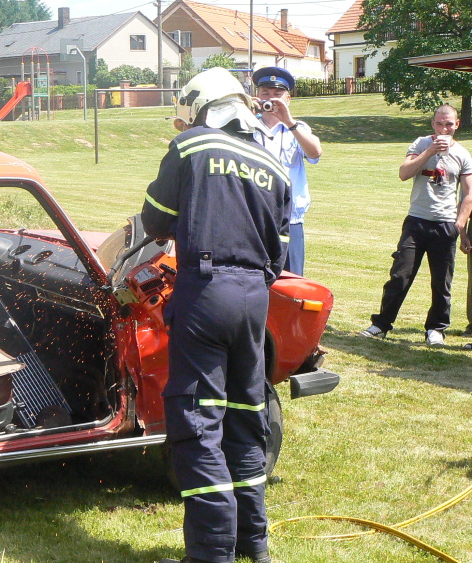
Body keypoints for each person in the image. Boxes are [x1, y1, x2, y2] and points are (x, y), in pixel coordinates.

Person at [145, 67, 291, 563]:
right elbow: (280, 251)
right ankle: (254, 544)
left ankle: (210, 553)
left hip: (206, 291)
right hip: (254, 298)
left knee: (197, 420)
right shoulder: (273, 165)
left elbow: (156, 219)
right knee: (246, 418)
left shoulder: (191, 146)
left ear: (199, 107)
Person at [360, 104, 472, 346]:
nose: (444, 129)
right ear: (433, 123)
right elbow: (404, 173)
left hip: (444, 224)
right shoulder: (421, 144)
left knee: (442, 282)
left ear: (457, 124)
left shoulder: (463, 154)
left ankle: (436, 329)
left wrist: (459, 226)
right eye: (439, 123)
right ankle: (381, 324)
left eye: (449, 124)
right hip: (416, 221)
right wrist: (430, 151)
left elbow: (468, 194)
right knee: (400, 275)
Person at [252, 67, 321, 277]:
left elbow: (315, 153)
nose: (271, 99)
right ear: (257, 96)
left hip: (290, 220)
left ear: (288, 99)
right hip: (254, 218)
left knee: (291, 281)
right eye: (265, 93)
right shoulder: (246, 126)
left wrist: (289, 122)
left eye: (277, 94)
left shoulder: (298, 129)